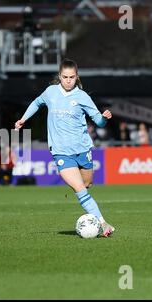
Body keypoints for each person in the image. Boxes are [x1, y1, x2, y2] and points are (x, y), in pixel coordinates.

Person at [15, 58, 115, 237]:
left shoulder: (83, 97)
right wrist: (23, 118)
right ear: (59, 76)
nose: (68, 80)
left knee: (87, 184)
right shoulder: (51, 92)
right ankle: (103, 223)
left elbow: (98, 122)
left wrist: (104, 118)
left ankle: (88, 204)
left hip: (83, 149)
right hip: (61, 152)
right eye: (64, 77)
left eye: (71, 77)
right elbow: (37, 102)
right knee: (80, 189)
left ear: (77, 77)